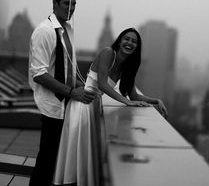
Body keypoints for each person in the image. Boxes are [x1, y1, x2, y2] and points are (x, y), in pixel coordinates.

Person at [53, 27, 168, 186]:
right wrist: (126, 102)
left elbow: (134, 95)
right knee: (75, 156)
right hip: (82, 107)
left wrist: (155, 101)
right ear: (120, 40)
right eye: (127, 39)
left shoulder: (127, 66)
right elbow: (102, 84)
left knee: (84, 157)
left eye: (134, 41)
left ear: (137, 47)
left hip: (94, 108)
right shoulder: (108, 53)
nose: (130, 43)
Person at [28, 0, 96, 186]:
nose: (71, 8)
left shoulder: (66, 29)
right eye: (67, 3)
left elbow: (66, 68)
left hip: (65, 105)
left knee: (56, 159)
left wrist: (84, 87)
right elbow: (39, 74)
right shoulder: (44, 31)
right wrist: (71, 92)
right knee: (47, 160)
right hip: (52, 106)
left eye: (74, 4)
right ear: (55, 3)